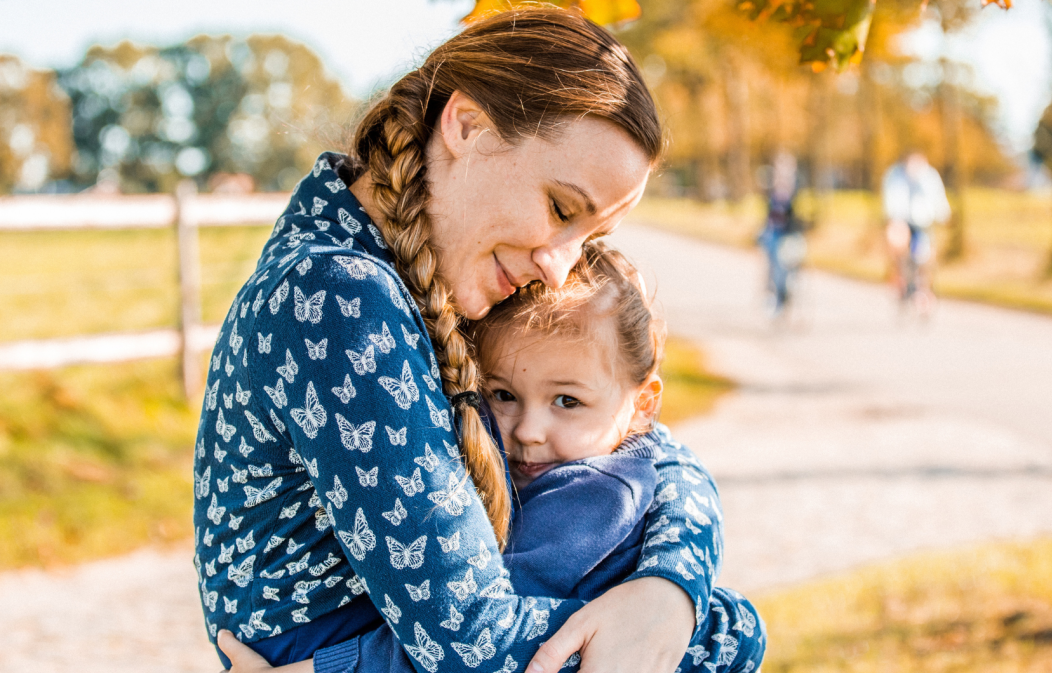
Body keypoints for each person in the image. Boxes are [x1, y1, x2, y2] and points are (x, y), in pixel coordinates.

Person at [193, 9, 738, 673]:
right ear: (467, 125)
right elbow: (472, 646)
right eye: (561, 209)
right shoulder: (338, 292)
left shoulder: (437, 269)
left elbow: (645, 442)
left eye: (587, 240)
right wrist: (729, 631)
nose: (558, 267)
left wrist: (671, 589)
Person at [223, 244, 766, 673]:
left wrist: (322, 670)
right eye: (503, 394)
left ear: (642, 404)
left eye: (567, 401)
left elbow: (477, 640)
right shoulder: (596, 460)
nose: (528, 431)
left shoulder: (594, 498)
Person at [881, 152, 950, 315]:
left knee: (923, 256)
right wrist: (893, 219)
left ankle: (923, 289)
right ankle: (899, 278)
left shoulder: (929, 176)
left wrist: (944, 215)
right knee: (897, 245)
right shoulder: (895, 175)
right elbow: (891, 199)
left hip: (922, 222)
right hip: (901, 220)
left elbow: (938, 198)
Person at [756, 152, 806, 319]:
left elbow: (798, 215)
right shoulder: (771, 188)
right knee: (771, 262)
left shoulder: (796, 189)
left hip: (790, 233)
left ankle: (789, 292)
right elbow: (768, 215)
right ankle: (773, 295)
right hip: (774, 233)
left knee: (793, 261)